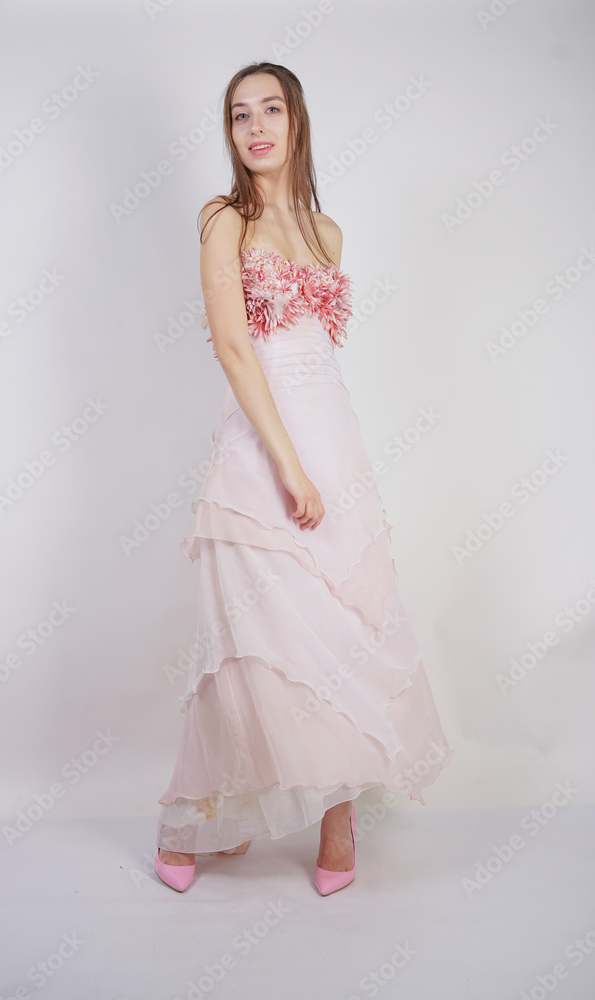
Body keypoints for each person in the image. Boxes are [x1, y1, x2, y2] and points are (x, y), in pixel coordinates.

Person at [154, 61, 453, 895]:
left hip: (336, 439)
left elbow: (321, 356)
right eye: (238, 114)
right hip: (260, 444)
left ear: (296, 120)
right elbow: (233, 347)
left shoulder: (328, 233)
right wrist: (286, 465)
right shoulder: (223, 219)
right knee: (254, 640)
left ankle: (336, 819)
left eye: (270, 109)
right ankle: (194, 812)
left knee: (350, 623)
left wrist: (323, 464)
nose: (254, 127)